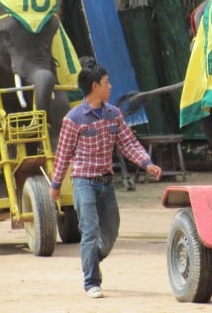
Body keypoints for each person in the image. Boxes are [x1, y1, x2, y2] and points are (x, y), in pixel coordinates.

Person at [49, 57, 162, 299]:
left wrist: (147, 163)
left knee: (111, 231)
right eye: (106, 82)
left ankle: (91, 258)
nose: (111, 86)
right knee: (89, 231)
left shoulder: (114, 114)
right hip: (83, 183)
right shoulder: (73, 119)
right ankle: (91, 281)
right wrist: (56, 184)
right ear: (94, 87)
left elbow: (128, 142)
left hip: (106, 183)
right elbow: (63, 154)